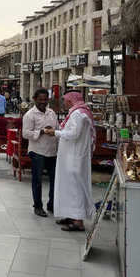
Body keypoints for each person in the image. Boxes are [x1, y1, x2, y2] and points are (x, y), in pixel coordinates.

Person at [43, 90, 95, 231]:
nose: (63, 102)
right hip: (70, 157)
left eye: (65, 100)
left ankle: (78, 221)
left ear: (71, 100)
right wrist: (55, 129)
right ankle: (71, 215)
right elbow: (69, 129)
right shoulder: (76, 112)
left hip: (74, 158)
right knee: (69, 187)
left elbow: (73, 134)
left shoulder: (78, 114)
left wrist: (55, 133)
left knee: (75, 188)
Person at [23, 89, 58, 217]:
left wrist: (53, 131)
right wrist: (42, 132)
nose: (43, 102)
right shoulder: (30, 115)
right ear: (35, 99)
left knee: (54, 179)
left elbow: (57, 128)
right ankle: (38, 206)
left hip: (52, 151)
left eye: (45, 99)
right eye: (40, 99)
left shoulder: (52, 113)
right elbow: (25, 133)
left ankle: (52, 204)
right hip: (37, 151)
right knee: (37, 180)